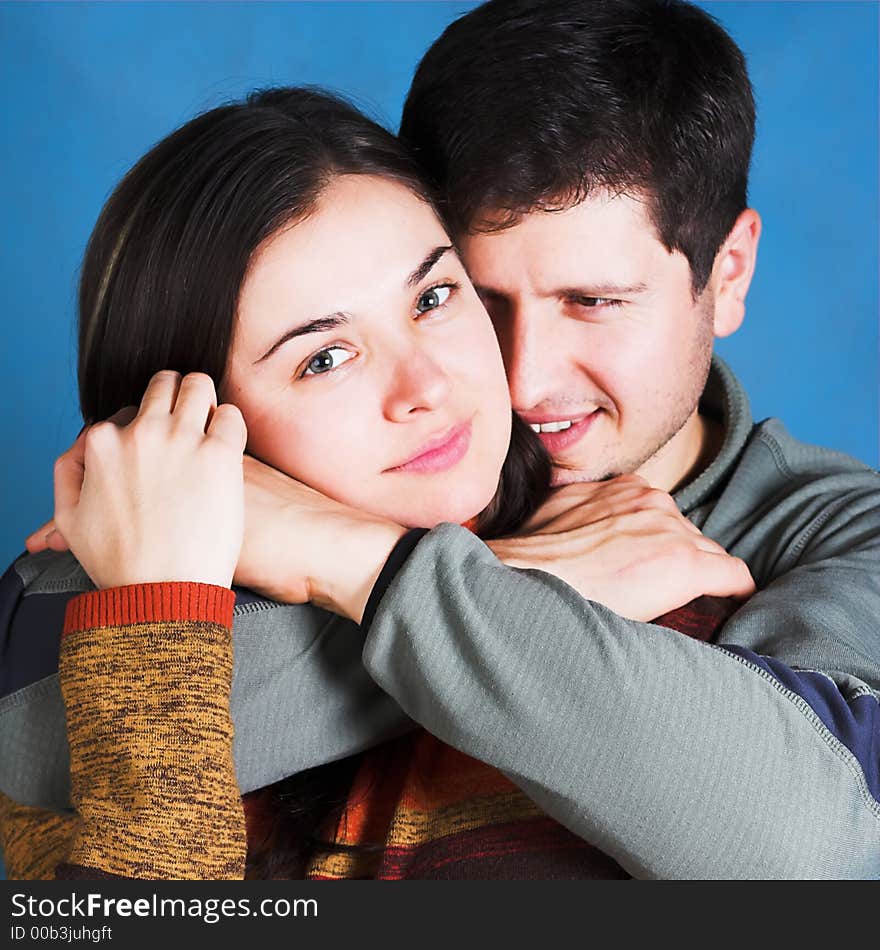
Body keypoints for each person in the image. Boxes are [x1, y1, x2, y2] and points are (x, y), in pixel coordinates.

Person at [4, 0, 879, 879]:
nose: (523, 379)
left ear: (727, 276)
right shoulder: (166, 521)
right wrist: (530, 583)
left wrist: (342, 557)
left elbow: (816, 848)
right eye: (477, 295)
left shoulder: (840, 541)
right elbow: (42, 771)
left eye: (594, 301)